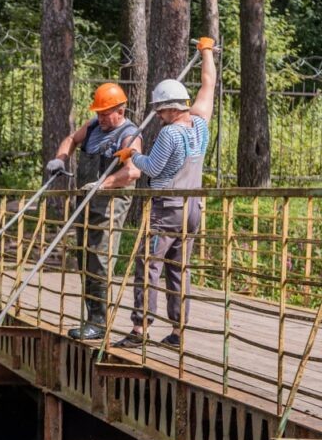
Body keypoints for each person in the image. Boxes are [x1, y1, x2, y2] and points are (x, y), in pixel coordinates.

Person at [111, 37, 217, 349]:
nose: (157, 115)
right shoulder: (200, 125)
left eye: (160, 110)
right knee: (178, 269)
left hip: (166, 207)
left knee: (149, 265)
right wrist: (206, 52)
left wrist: (130, 155)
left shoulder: (170, 133)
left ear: (171, 108)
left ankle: (139, 329)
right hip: (192, 208)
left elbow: (153, 168)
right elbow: (208, 84)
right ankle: (178, 331)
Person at [46, 83, 143, 340]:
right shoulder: (92, 127)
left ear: (121, 111)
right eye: (98, 113)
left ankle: (99, 323)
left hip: (110, 203)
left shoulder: (129, 134)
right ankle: (92, 316)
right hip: (86, 201)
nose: (100, 118)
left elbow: (133, 171)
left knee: (100, 259)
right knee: (84, 257)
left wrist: (103, 184)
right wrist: (61, 158)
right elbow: (71, 139)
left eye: (105, 113)